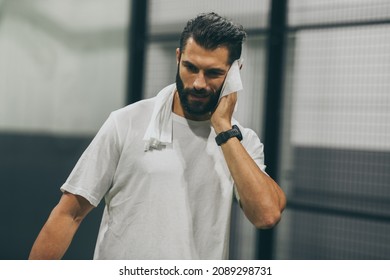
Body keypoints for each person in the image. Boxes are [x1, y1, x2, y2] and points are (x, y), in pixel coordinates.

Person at [29, 12, 286, 260]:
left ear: (235, 72)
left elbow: (266, 215)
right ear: (178, 58)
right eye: (190, 67)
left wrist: (223, 128)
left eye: (213, 73)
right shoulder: (126, 122)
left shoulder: (241, 141)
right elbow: (68, 215)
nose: (198, 83)